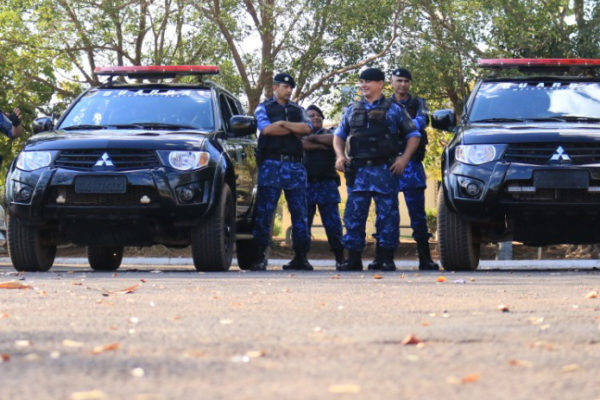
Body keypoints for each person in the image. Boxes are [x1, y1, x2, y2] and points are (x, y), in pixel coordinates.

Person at [333, 67, 421, 271]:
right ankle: (353, 259)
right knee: (354, 216)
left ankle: (385, 258)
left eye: (368, 81)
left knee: (387, 216)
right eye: (362, 81)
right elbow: (339, 135)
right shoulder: (352, 109)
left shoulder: (395, 109)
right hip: (359, 171)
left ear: (380, 84)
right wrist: (340, 156)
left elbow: (413, 136)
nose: (363, 85)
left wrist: (404, 159)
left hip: (384, 171)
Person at [251, 73, 313, 271]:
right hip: (271, 164)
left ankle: (301, 256)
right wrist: (292, 129)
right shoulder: (264, 107)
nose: (288, 90)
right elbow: (266, 130)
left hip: (295, 166)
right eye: (285, 86)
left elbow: (307, 128)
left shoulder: (298, 110)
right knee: (265, 212)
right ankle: (260, 255)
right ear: (275, 87)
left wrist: (283, 124)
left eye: (290, 87)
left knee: (300, 213)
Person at [385, 67, 439, 271]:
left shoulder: (419, 103)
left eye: (406, 81)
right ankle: (386, 257)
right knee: (388, 212)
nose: (403, 85)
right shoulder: (384, 103)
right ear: (391, 82)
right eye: (399, 81)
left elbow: (420, 123)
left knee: (417, 214)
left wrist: (399, 125)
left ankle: (425, 257)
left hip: (412, 164)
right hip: (388, 164)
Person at [302, 104, 344, 269]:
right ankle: (301, 258)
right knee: (303, 224)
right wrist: (323, 146)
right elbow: (301, 144)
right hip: (306, 184)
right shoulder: (300, 135)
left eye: (319, 115)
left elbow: (335, 140)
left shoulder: (332, 131)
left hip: (327, 184)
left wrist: (312, 139)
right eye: (311, 116)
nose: (316, 117)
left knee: (333, 224)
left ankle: (340, 258)